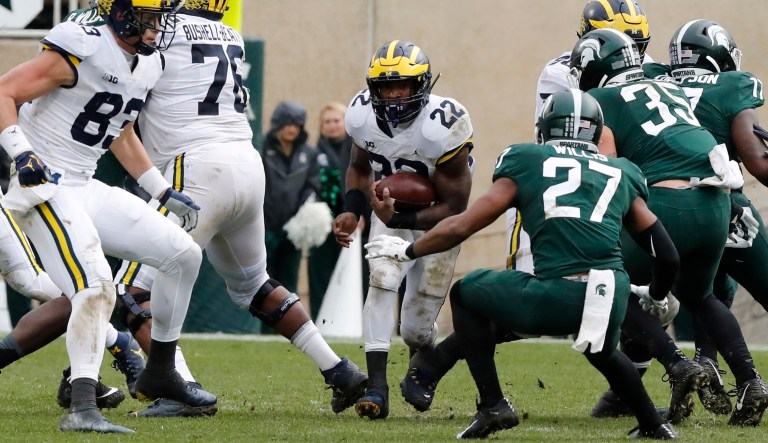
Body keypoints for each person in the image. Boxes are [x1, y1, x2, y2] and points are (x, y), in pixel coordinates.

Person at [366, 89, 678, 440]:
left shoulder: (527, 159)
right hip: (610, 292)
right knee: (603, 351)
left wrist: (407, 251)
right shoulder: (621, 171)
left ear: (545, 127)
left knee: (467, 292)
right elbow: (667, 253)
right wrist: (656, 295)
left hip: (558, 293)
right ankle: (654, 425)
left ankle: (493, 404)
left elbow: (464, 224)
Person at [111, 0, 368, 417]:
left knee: (130, 293)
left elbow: (125, 92)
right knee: (255, 286)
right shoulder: (229, 35)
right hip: (247, 166)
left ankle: (182, 390)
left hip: (195, 170)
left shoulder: (164, 32)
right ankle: (338, 369)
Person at [0, 0, 216, 433]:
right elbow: (4, 92)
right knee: (96, 284)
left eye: (161, 18)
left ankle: (161, 369)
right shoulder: (84, 45)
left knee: (183, 255)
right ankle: (81, 406)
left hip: (84, 181)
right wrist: (22, 153)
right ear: (119, 11)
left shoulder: (147, 65)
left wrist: (161, 189)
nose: (157, 27)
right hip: (44, 182)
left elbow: (119, 129)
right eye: (149, 16)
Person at [571, 27, 768, 426]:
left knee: (608, 286)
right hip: (718, 202)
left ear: (593, 68)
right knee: (701, 296)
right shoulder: (669, 88)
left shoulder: (601, 99)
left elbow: (606, 171)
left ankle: (678, 364)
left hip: (668, 204)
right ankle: (750, 380)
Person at [332, 39, 474, 420]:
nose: (394, 95)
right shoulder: (362, 114)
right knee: (381, 278)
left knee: (414, 328)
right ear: (372, 88)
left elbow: (455, 205)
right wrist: (353, 209)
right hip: (390, 210)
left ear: (422, 85)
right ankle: (377, 388)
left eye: (403, 86)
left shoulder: (443, 124)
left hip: (438, 220)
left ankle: (422, 364)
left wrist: (401, 220)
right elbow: (361, 169)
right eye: (385, 87)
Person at [638, 18, 768, 420]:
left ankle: (702, 363)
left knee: (702, 289)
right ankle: (729, 374)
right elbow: (757, 161)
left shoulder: (651, 79)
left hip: (665, 209)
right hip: (725, 205)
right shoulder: (732, 85)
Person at [260, 101, 320, 299]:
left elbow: (312, 185)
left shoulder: (308, 153)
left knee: (288, 281)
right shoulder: (261, 147)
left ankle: (283, 328)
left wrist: (301, 215)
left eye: (296, 125)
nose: (291, 129)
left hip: (293, 230)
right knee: (263, 281)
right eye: (287, 124)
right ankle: (261, 329)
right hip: (264, 226)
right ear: (278, 124)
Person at [307, 102, 354, 320]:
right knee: (320, 274)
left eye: (336, 120)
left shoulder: (356, 152)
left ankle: (349, 320)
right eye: (327, 121)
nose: (332, 126)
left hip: (351, 222)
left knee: (350, 274)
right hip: (322, 224)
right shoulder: (314, 153)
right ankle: (320, 321)